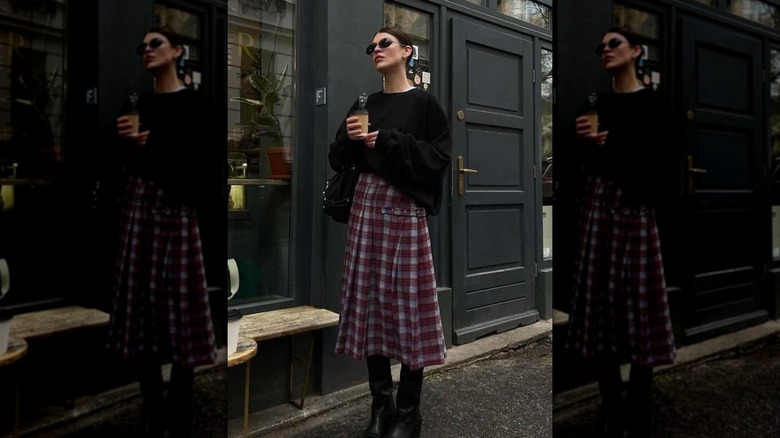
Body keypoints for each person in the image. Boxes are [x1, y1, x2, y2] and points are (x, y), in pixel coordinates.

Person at [328, 26, 451, 438]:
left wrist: (392, 141)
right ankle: (380, 406)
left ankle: (409, 410)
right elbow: (337, 158)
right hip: (365, 209)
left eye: (385, 43)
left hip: (403, 210)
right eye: (372, 46)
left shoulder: (424, 104)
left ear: (406, 52)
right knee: (370, 306)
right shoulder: (366, 102)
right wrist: (348, 140)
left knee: (409, 306)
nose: (376, 50)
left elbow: (439, 160)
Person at [106, 27, 222, 438]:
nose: (147, 51)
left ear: (177, 51)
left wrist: (152, 146)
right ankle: (153, 407)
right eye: (142, 47)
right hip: (139, 212)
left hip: (176, 213)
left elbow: (202, 168)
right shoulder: (137, 102)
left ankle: (179, 406)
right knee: (142, 311)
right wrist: (125, 146)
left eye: (155, 43)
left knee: (182, 310)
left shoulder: (195, 106)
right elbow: (116, 163)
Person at [564, 26, 679, 438]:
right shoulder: (597, 102)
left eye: (614, 44)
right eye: (601, 47)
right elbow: (574, 160)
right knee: (601, 312)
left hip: (636, 211)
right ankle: (612, 408)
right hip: (597, 212)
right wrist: (584, 146)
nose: (605, 51)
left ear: (636, 51)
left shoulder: (654, 106)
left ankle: (638, 407)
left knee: (641, 310)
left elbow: (663, 166)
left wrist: (612, 148)